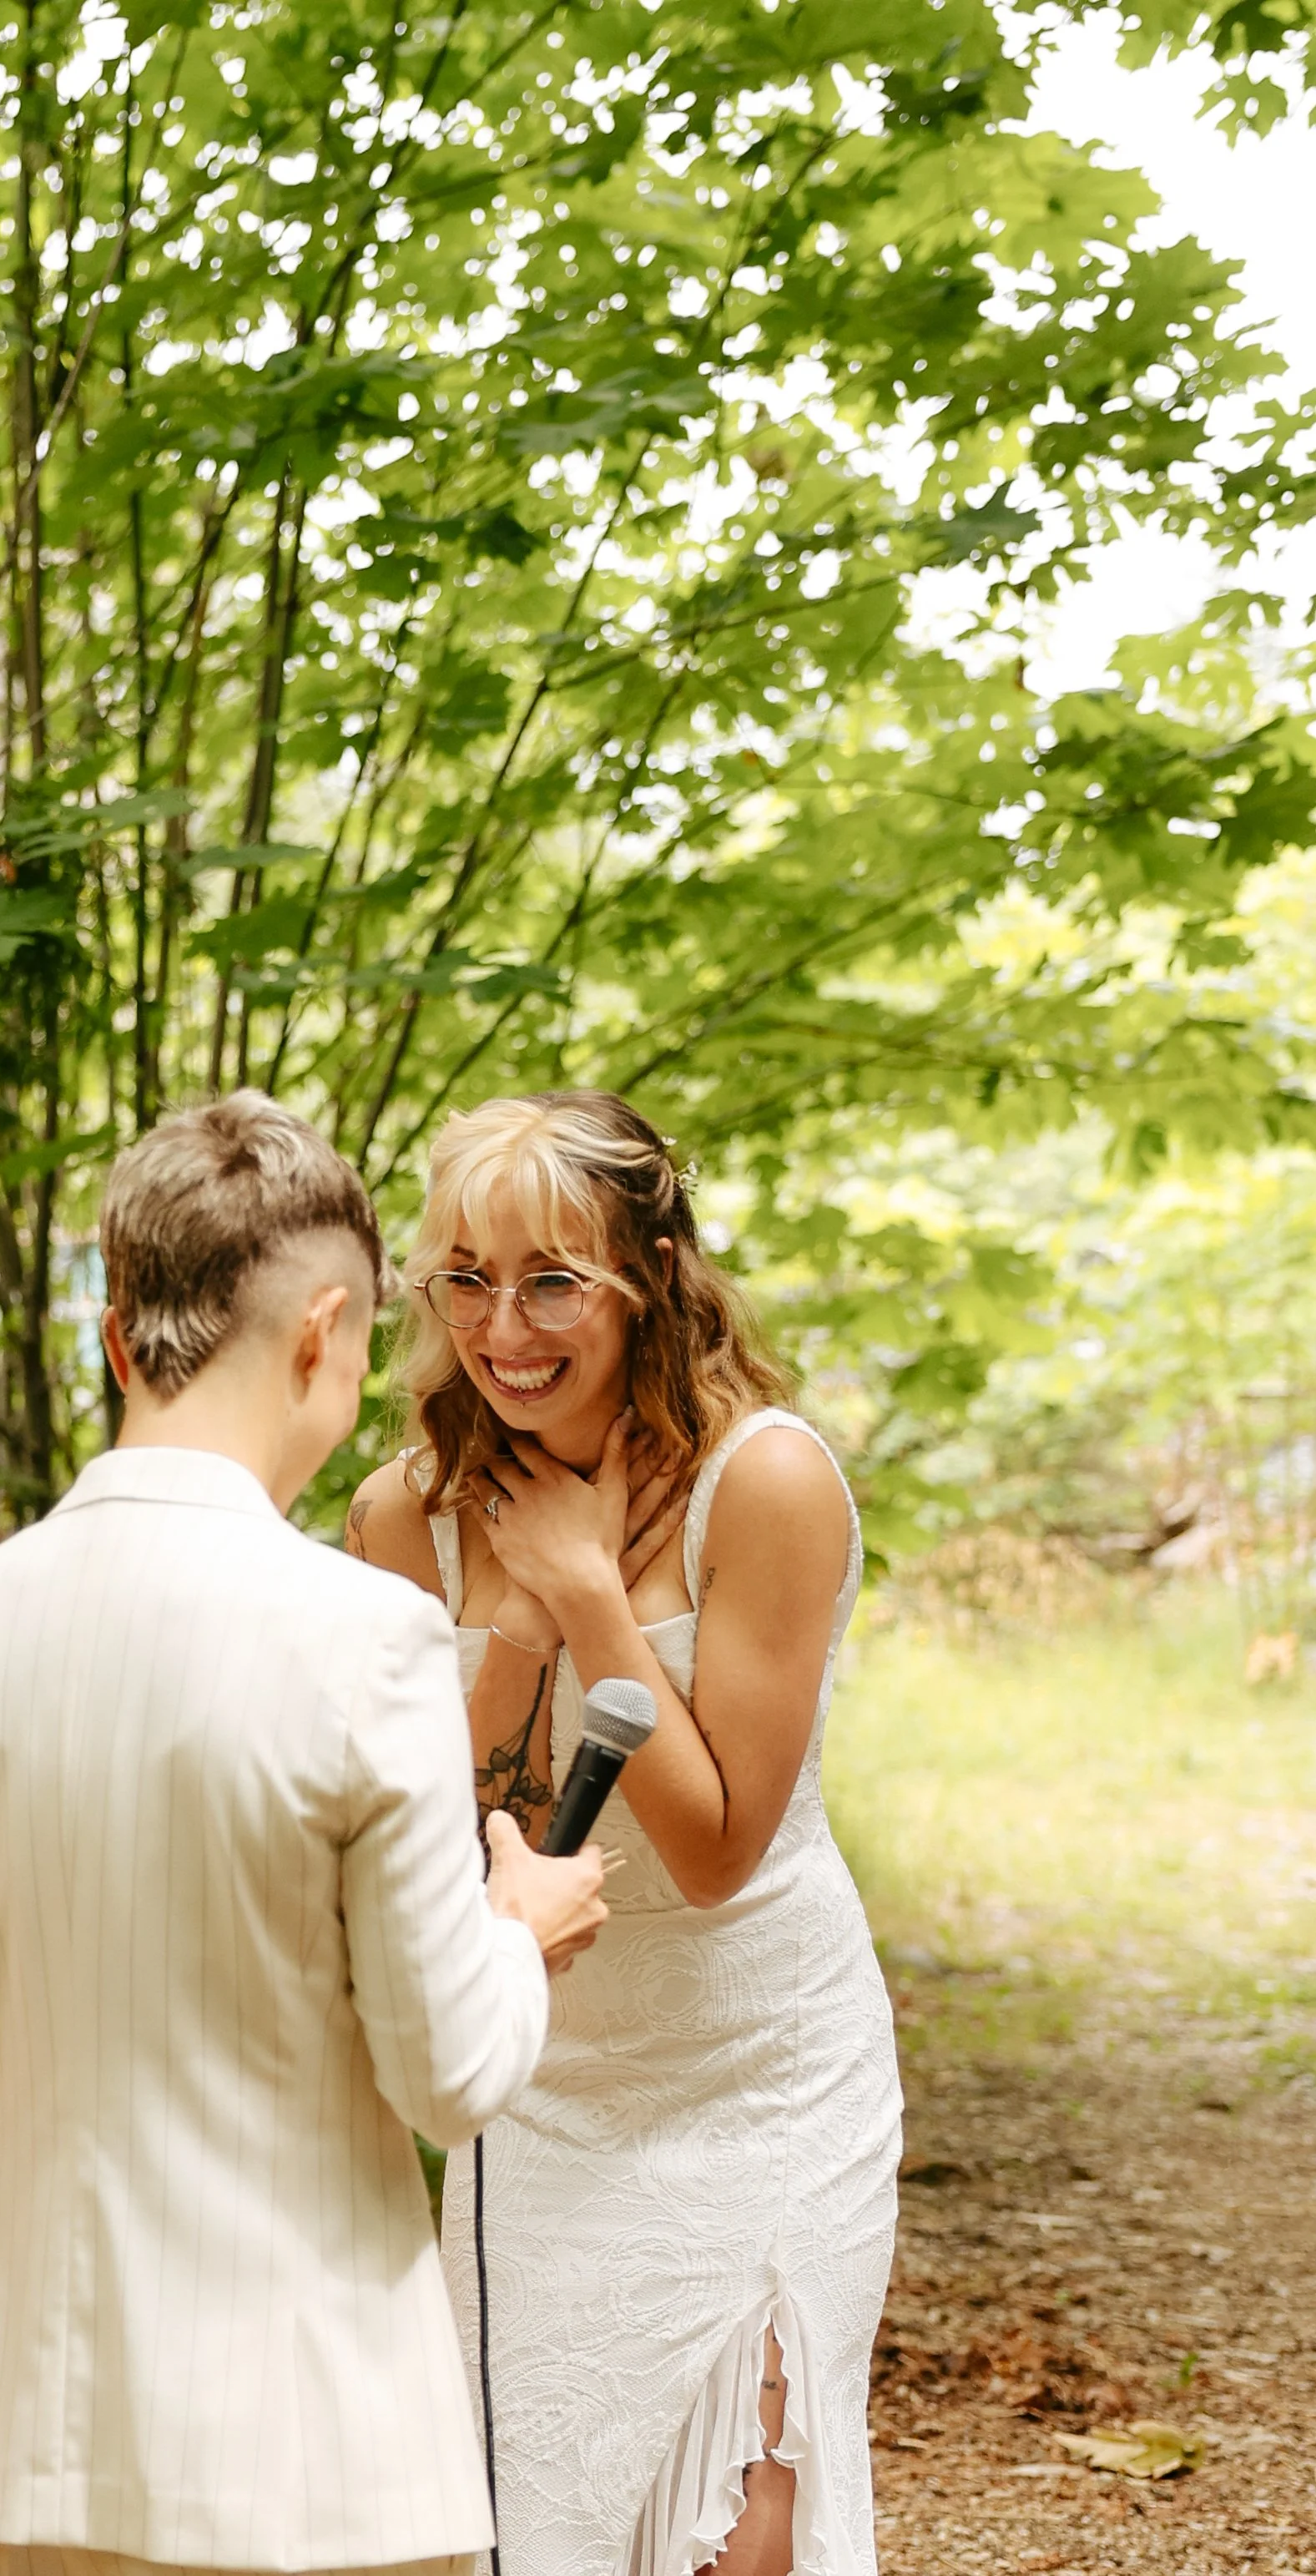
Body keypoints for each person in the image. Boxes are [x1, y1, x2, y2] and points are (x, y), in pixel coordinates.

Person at [0, 1089, 608, 2576]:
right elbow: (448, 2070)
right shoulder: (364, 1636)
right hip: (310, 2464)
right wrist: (519, 1935)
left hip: (12, 2460)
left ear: (120, 1338)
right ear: (325, 1332)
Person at [345, 1092, 901, 2576]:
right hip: (545, 2081)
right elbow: (446, 1855)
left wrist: (594, 1598)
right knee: (550, 2528)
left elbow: (717, 1852)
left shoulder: (765, 1483)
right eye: (463, 1277)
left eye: (549, 1279)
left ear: (649, 1269)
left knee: (747, 2529)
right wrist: (520, 1630)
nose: (501, 1326)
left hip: (761, 2068)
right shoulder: (402, 1519)